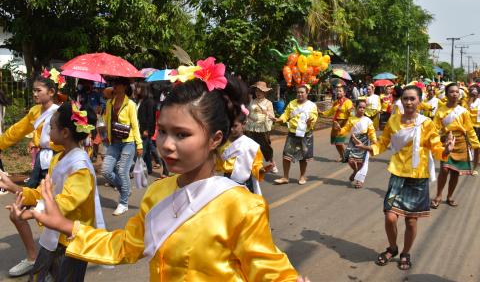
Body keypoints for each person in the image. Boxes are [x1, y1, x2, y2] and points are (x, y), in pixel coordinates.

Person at [19, 58, 306, 281]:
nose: (167, 144)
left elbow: (269, 271)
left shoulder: (243, 207)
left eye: (182, 134)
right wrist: (65, 225)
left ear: (215, 139)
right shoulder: (157, 194)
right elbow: (125, 245)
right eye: (164, 131)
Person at [353, 85, 454, 271]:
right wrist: (367, 148)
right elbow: (383, 143)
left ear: (419, 101)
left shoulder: (426, 124)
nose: (408, 102)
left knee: (411, 220)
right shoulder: (394, 121)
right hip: (397, 175)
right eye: (405, 98)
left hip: (417, 177)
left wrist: (446, 150)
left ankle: (406, 252)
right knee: (390, 217)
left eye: (412, 99)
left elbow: (436, 149)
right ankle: (392, 248)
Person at [3, 101, 104, 281]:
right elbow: (45, 194)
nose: (48, 132)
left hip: (72, 242)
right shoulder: (58, 158)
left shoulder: (80, 167)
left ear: (65, 133)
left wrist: (32, 213)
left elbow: (64, 204)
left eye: (51, 127)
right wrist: (15, 187)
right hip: (54, 237)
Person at [0, 70, 63, 277]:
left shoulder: (61, 113)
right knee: (17, 212)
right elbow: (16, 130)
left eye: (38, 90)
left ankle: (53, 262)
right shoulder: (35, 111)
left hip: (56, 165)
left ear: (51, 92)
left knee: (51, 213)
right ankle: (33, 257)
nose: (34, 94)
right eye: (33, 90)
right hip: (39, 166)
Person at [430, 83, 480, 208]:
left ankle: (450, 196)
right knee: (444, 169)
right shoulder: (440, 111)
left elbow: (469, 129)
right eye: (451, 92)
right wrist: (438, 139)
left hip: (461, 143)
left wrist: (475, 143)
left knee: (455, 172)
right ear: (446, 94)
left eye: (457, 92)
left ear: (460, 94)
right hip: (446, 142)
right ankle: (438, 195)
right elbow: (434, 130)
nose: (454, 94)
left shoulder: (463, 111)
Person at [102, 77, 143, 216]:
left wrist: (139, 144)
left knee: (122, 171)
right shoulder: (109, 103)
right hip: (113, 142)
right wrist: (106, 135)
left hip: (128, 142)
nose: (115, 86)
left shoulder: (130, 104)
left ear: (125, 87)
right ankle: (125, 189)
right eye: (114, 83)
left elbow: (135, 125)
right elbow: (106, 120)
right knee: (106, 171)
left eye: (118, 84)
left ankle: (123, 202)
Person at [217, 108, 270, 194]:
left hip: (246, 183)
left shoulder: (252, 145)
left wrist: (261, 170)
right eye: (229, 126)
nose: (231, 129)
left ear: (243, 124)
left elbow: (256, 164)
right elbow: (218, 164)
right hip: (227, 181)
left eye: (235, 126)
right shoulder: (221, 143)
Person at [274, 84, 318, 185]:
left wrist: (310, 121)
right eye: (298, 92)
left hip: (305, 134)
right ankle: (285, 177)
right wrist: (279, 119)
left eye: (302, 92)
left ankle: (302, 176)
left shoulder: (312, 105)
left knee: (303, 157)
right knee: (286, 155)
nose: (299, 94)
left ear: (307, 93)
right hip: (292, 133)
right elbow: (286, 114)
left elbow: (314, 117)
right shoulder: (292, 103)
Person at [333, 100, 376, 188]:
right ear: (356, 108)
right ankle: (356, 171)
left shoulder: (367, 120)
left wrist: (374, 140)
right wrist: (339, 129)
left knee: (363, 162)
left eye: (364, 108)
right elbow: (345, 129)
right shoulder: (351, 119)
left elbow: (371, 132)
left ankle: (360, 180)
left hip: (364, 142)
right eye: (360, 107)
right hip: (353, 141)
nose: (362, 109)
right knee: (351, 160)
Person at [245, 81, 278, 173]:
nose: (258, 93)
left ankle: (272, 164)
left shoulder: (268, 103)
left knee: (266, 146)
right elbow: (247, 113)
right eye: (256, 91)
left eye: (260, 91)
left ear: (264, 92)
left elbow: (271, 115)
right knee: (250, 147)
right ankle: (252, 166)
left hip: (262, 128)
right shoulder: (252, 102)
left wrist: (267, 114)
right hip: (250, 128)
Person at [319, 85, 353, 162]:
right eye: (337, 91)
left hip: (344, 122)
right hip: (336, 122)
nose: (338, 92)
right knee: (335, 141)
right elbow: (330, 112)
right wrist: (321, 113)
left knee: (339, 141)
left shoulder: (348, 102)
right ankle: (342, 156)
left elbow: (352, 113)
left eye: (340, 91)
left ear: (344, 93)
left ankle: (347, 156)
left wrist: (348, 112)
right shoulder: (335, 102)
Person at [135, 82, 156, 174]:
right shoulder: (139, 100)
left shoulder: (150, 101)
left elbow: (151, 117)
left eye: (139, 87)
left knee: (141, 152)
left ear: (144, 89)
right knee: (147, 151)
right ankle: (149, 169)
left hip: (145, 130)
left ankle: (134, 171)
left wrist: (147, 130)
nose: (137, 89)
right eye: (137, 87)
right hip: (139, 128)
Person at [467, 85, 480, 174]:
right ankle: (465, 167)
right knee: (466, 147)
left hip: (478, 127)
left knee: (477, 147)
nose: (473, 95)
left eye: (475, 93)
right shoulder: (464, 102)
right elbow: (465, 112)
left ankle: (474, 168)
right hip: (469, 127)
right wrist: (470, 101)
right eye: (471, 93)